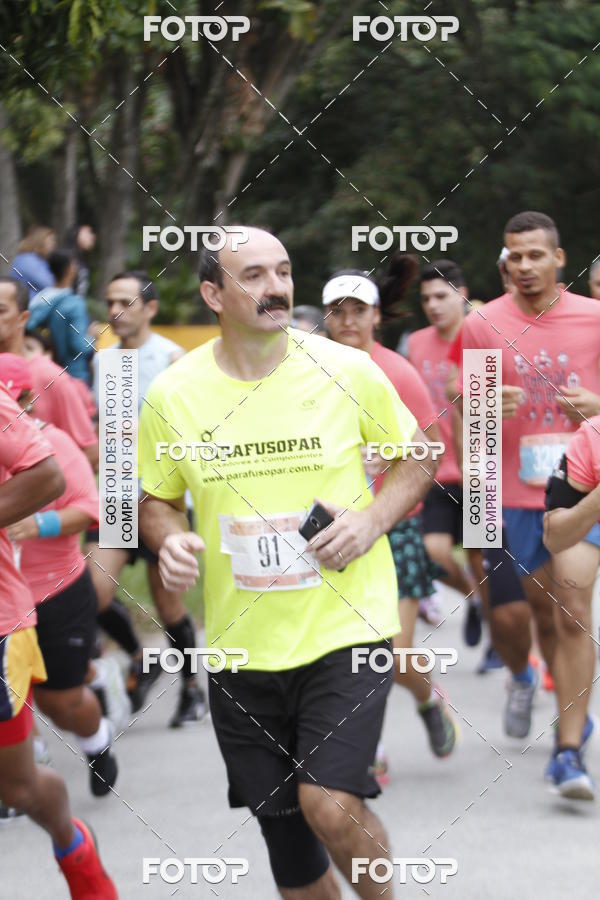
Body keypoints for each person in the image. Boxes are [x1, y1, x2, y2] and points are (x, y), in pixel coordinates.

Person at [139, 226, 433, 899]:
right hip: (242, 649)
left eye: (283, 271)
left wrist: (372, 520)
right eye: (253, 275)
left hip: (346, 630)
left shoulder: (346, 369)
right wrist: (169, 538)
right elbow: (156, 499)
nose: (275, 287)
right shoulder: (173, 393)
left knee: (328, 804)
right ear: (213, 293)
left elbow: (420, 456)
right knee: (293, 859)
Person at [460, 211, 600, 788]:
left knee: (573, 608)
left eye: (535, 255)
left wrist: (597, 407)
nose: (524, 266)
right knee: (535, 614)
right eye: (514, 256)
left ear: (559, 259)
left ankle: (568, 751)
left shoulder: (594, 319)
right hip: (513, 493)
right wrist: (486, 409)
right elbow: (471, 423)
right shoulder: (483, 324)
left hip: (579, 486)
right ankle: (548, 692)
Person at [322, 258, 457, 775]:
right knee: (344, 649)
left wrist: (391, 457)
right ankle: (367, 749)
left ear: (377, 316)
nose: (348, 320)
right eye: (338, 310)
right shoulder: (309, 371)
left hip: (393, 526)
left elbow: (432, 449)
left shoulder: (397, 372)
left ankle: (427, 698)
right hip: (332, 529)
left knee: (394, 654)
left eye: (358, 310)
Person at [0, 379, 117, 897]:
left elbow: (83, 495)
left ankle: (74, 846)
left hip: (45, 595)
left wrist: (45, 526)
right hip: (31, 594)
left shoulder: (59, 429)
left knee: (18, 785)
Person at [88, 271, 204, 727]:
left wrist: (147, 434)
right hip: (116, 492)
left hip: (161, 497)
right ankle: (141, 656)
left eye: (126, 301)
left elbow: (192, 429)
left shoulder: (173, 358)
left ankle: (192, 689)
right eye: (110, 301)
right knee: (93, 595)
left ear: (150, 308)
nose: (115, 310)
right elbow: (101, 428)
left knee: (169, 605)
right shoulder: (104, 360)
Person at [407, 261, 485, 648]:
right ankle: (476, 599)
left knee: (480, 556)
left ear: (462, 295)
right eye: (426, 299)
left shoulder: (481, 336)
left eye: (441, 296)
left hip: (479, 468)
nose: (433, 305)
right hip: (436, 467)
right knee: (433, 552)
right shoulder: (416, 342)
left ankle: (500, 641)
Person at [542, 415, 600, 799]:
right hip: (513, 494)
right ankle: (569, 746)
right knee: (527, 616)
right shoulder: (594, 435)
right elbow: (555, 536)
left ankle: (568, 743)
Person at [0, 277, 99, 472]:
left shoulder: (51, 377)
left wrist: (48, 485)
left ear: (23, 318)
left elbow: (89, 450)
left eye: (1, 311)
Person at [27, 248, 96, 385]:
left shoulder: (43, 300)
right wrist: (93, 337)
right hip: (77, 376)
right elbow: (79, 346)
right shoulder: (74, 304)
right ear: (70, 269)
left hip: (52, 373)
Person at [10, 226, 56, 299]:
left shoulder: (38, 259)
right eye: (50, 241)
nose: (53, 244)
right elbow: (49, 283)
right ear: (39, 242)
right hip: (30, 303)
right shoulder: (27, 260)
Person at [64, 224, 96, 298]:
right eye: (88, 233)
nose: (93, 237)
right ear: (76, 235)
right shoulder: (67, 258)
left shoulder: (81, 259)